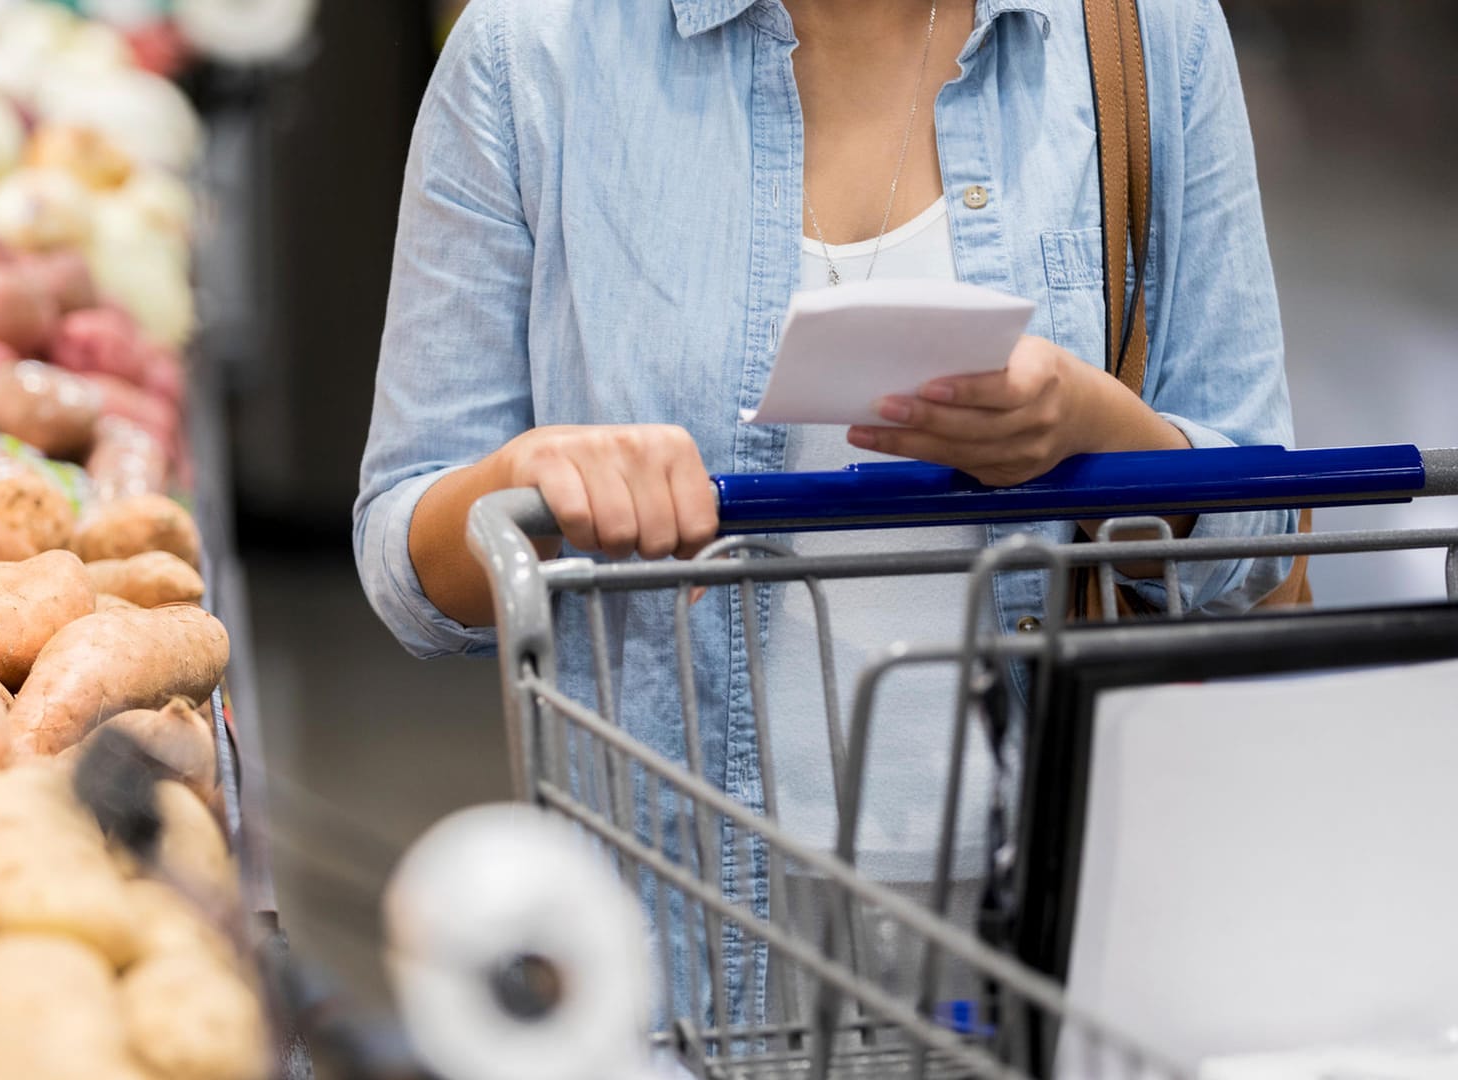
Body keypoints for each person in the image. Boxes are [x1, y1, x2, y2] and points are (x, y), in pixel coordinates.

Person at [356, 0, 1294, 1017]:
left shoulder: (1144, 36)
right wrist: (530, 486)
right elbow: (405, 558)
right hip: (671, 929)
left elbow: (1264, 526)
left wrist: (1100, 433)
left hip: (1066, 921)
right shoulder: (529, 53)